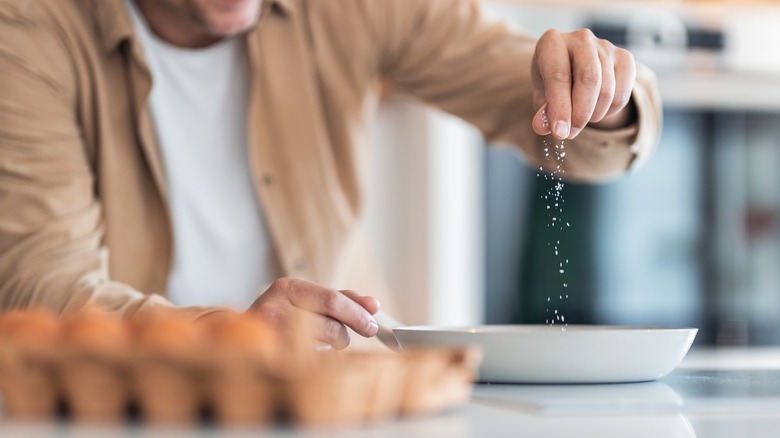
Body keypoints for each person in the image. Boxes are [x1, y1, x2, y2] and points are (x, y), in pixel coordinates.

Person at [0, 0, 661, 349]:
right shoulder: (29, 28)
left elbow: (556, 117)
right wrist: (226, 338)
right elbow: (40, 283)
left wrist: (601, 92)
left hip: (333, 402)